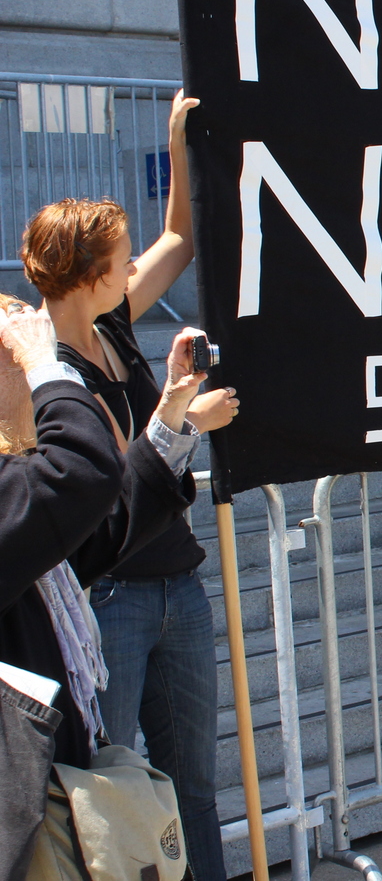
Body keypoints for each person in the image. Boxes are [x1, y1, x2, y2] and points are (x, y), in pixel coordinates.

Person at [20, 92, 240, 881]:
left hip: (178, 579)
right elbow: (104, 480)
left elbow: (179, 238)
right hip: (110, 595)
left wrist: (178, 142)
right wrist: (183, 414)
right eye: (119, 257)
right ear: (90, 275)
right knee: (102, 794)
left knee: (194, 791)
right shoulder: (42, 372)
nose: (133, 266)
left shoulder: (110, 323)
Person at [0, 298, 207, 879]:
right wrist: (48, 366)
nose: (34, 384)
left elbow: (104, 524)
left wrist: (171, 409)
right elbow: (81, 474)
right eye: (19, 363)